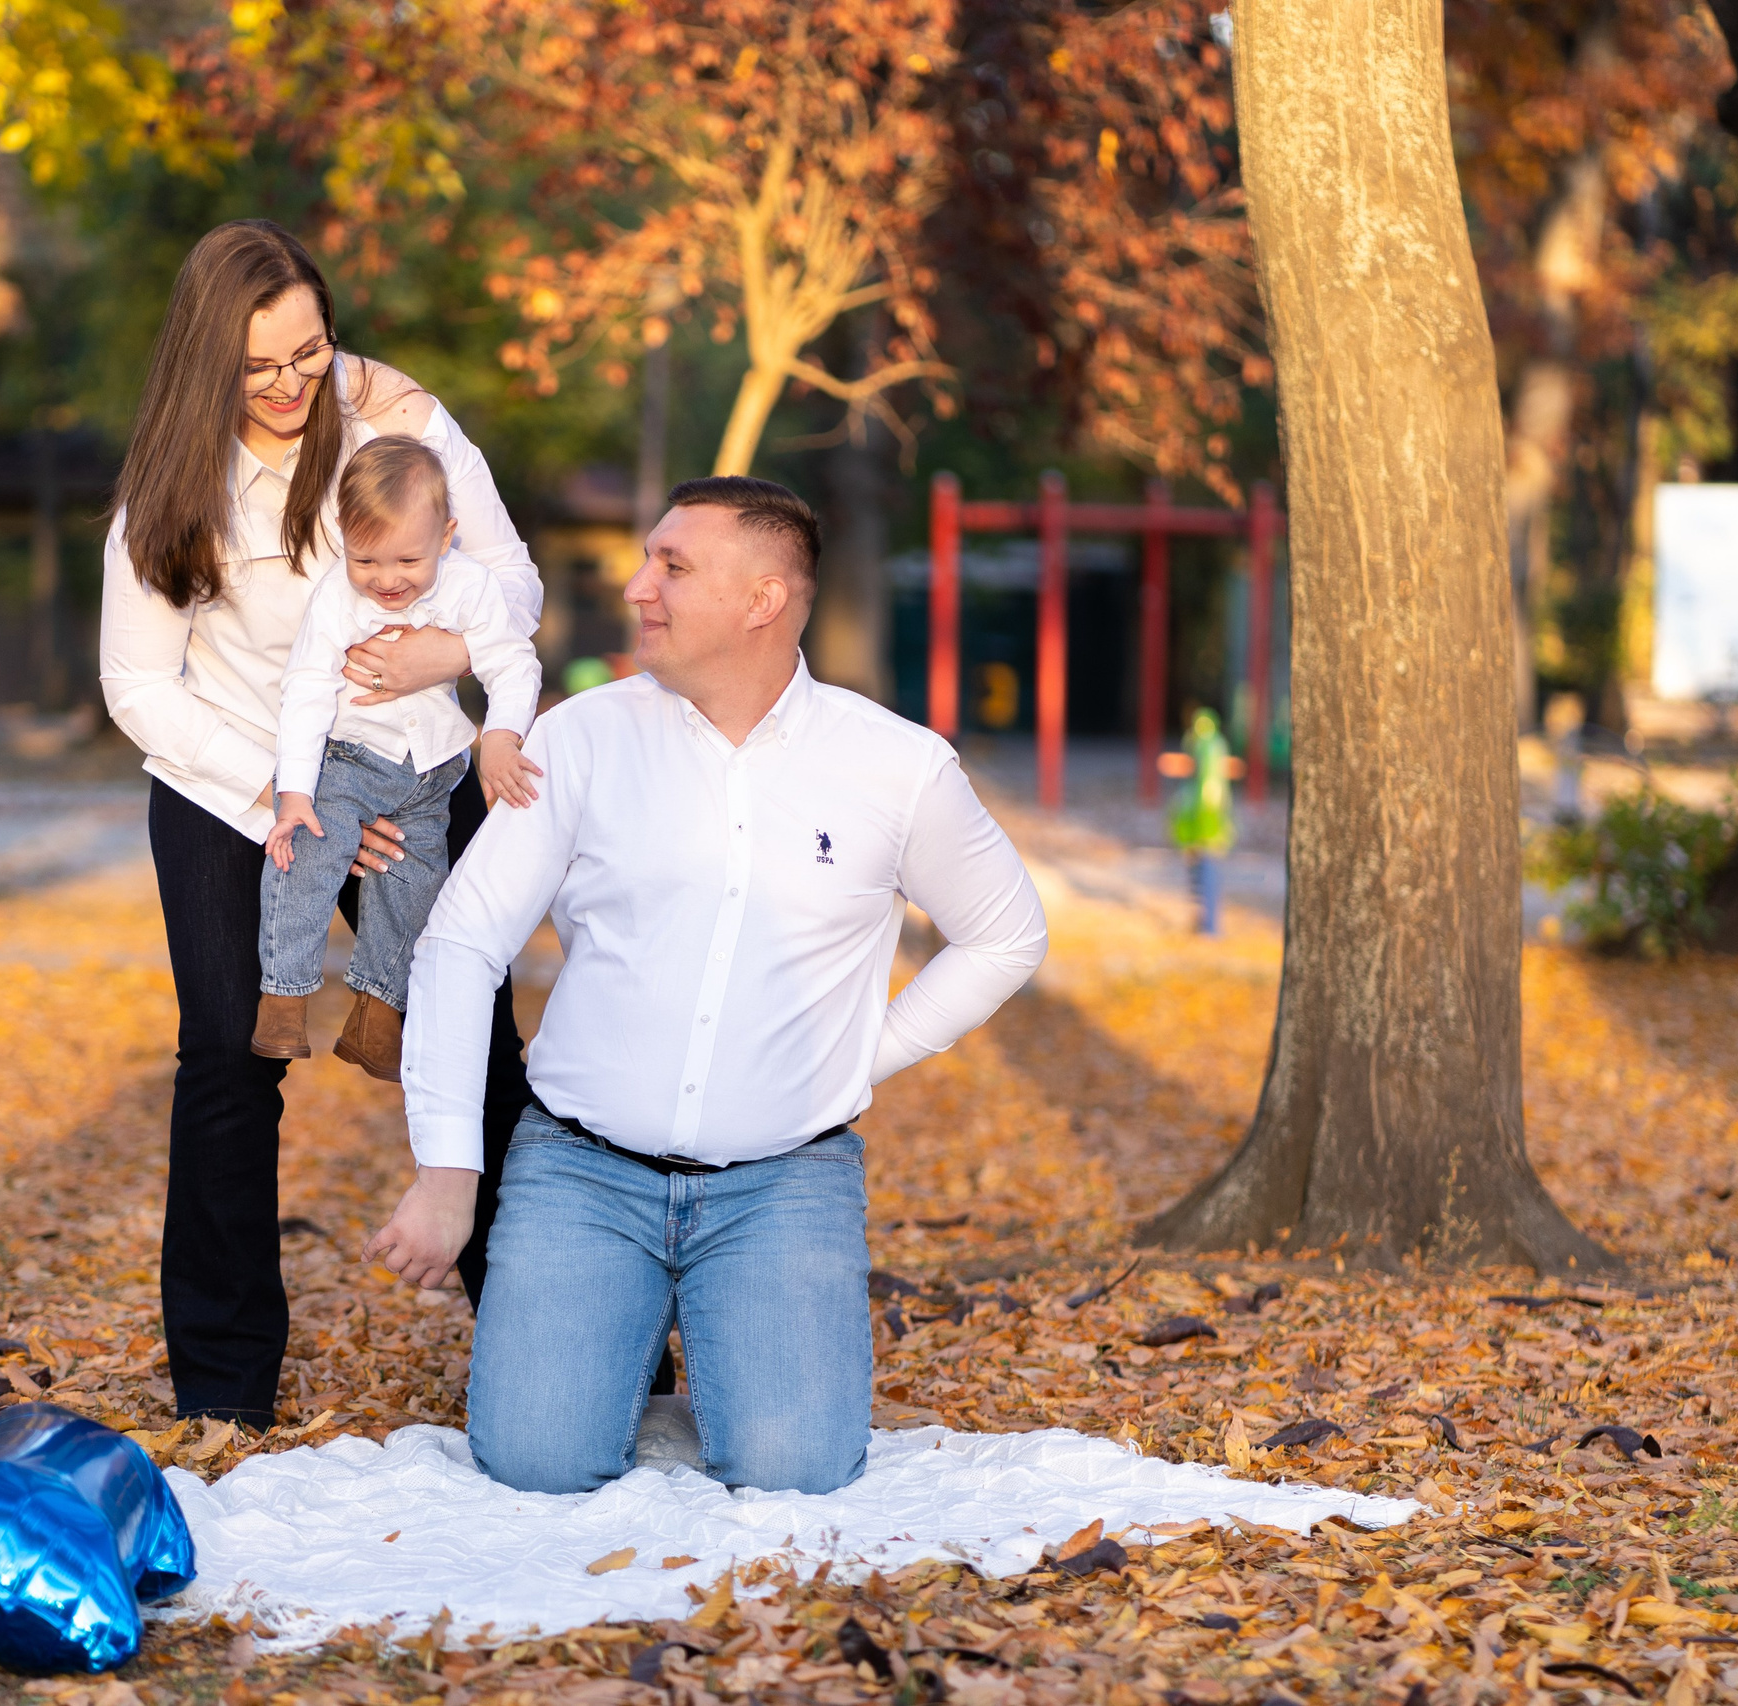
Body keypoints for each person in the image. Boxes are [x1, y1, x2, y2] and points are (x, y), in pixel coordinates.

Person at [372, 476, 1048, 1496]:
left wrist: (862, 1055)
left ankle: (734, 1381)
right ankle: (598, 1375)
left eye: (673, 566)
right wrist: (448, 1169)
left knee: (794, 1468)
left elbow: (1006, 933)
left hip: (784, 1179)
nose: (639, 587)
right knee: (534, 1461)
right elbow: (463, 941)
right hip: (581, 1171)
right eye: (647, 559)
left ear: (762, 598)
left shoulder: (896, 766)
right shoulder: (578, 740)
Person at [97, 219, 540, 1427]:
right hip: (231, 782)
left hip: (411, 763)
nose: (294, 384)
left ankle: (556, 1351)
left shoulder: (397, 414)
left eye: (310, 350)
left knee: (473, 1041)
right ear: (206, 364)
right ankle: (225, 1391)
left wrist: (450, 648)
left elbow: (513, 582)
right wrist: (295, 794)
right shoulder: (166, 486)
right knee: (229, 1059)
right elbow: (138, 685)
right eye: (259, 367)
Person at [255, 437, 543, 1078]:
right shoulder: (336, 596)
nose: (387, 580)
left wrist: (501, 735)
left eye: (408, 559)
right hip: (350, 757)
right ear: (343, 540)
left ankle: (376, 1014)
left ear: (447, 537)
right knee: (307, 852)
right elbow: (306, 688)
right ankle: (284, 994)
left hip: (433, 769)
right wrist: (295, 792)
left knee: (416, 889)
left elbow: (512, 662)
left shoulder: (472, 588)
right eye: (367, 561)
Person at [1167, 706, 1236, 935]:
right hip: (1204, 825)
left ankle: (1210, 927)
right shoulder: (1214, 747)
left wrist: (1203, 823)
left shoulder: (1208, 749)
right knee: (1202, 872)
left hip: (1206, 825)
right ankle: (1206, 923)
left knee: (1208, 871)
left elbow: (1208, 791)